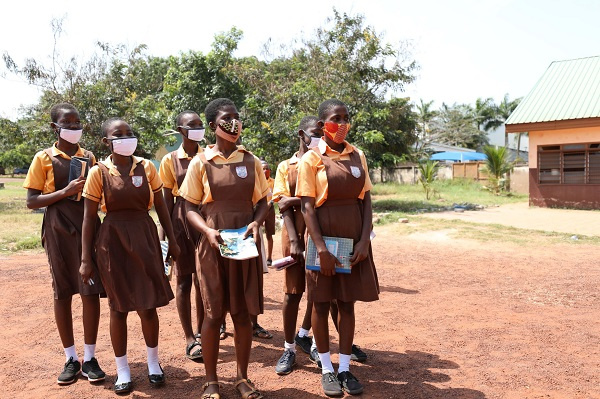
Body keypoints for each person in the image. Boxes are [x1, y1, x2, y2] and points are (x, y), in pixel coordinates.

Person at [80, 117, 180, 394]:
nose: (126, 137)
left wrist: (172, 240)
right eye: (118, 134)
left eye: (129, 133)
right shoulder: (98, 172)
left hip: (145, 235)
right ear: (106, 142)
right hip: (112, 241)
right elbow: (89, 218)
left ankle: (153, 364)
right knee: (119, 308)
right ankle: (122, 369)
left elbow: (161, 207)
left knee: (148, 305)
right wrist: (86, 259)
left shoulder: (147, 167)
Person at [179, 98, 267, 399]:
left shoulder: (251, 161)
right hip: (213, 245)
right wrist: (206, 230)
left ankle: (243, 379)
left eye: (237, 117)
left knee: (242, 314)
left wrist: (256, 223)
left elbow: (263, 202)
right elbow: (188, 206)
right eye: (227, 118)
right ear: (214, 126)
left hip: (243, 244)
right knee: (213, 315)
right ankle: (211, 381)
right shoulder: (201, 162)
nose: (234, 123)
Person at [296, 99, 379, 397]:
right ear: (322, 125)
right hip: (325, 241)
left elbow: (366, 200)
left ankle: (345, 367)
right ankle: (327, 369)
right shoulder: (311, 160)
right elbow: (307, 207)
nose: (342, 123)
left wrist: (364, 240)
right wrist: (321, 249)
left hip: (354, 239)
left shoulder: (358, 155)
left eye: (346, 117)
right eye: (335, 118)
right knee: (320, 302)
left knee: (346, 303)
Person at [23, 103, 106, 386]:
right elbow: (32, 201)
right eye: (67, 124)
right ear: (54, 127)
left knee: (90, 290)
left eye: (77, 123)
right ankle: (71, 358)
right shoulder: (44, 158)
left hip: (88, 226)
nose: (74, 128)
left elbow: (97, 196)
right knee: (63, 291)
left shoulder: (90, 157)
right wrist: (65, 192)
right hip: (57, 228)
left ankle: (91, 357)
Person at [272, 115, 322, 375]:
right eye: (315, 133)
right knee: (293, 292)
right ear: (302, 134)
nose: (320, 137)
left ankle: (306, 334)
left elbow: (322, 199)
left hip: (320, 234)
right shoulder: (286, 166)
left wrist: (295, 199)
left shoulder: (324, 162)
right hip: (294, 233)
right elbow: (282, 205)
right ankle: (289, 347)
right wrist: (294, 240)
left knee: (318, 290)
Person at [159, 110, 205, 361]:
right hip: (180, 218)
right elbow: (166, 201)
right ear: (180, 130)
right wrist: (166, 237)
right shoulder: (170, 160)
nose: (197, 128)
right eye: (191, 125)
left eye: (200, 124)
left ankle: (202, 332)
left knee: (204, 281)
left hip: (206, 218)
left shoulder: (210, 155)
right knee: (184, 280)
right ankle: (189, 338)